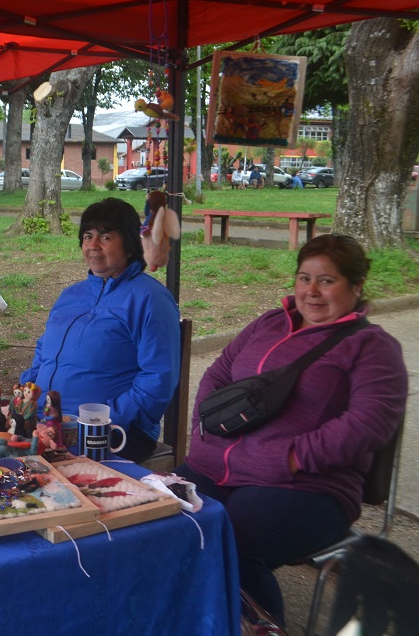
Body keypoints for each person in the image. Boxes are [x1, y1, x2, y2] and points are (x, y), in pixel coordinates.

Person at [175, 234, 408, 626]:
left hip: (305, 484)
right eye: (304, 278)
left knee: (233, 544)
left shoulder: (372, 347)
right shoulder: (269, 323)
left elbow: (369, 423)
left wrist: (292, 456)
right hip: (219, 466)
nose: (312, 292)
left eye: (327, 281)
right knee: (156, 519)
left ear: (356, 286)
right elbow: (218, 372)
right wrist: (207, 425)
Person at [19, 197, 180, 463]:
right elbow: (43, 352)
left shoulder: (149, 298)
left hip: (112, 433)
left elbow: (158, 378)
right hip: (45, 423)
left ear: (129, 245)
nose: (93, 246)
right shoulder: (71, 295)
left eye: (105, 237)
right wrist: (27, 397)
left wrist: (100, 421)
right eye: (87, 236)